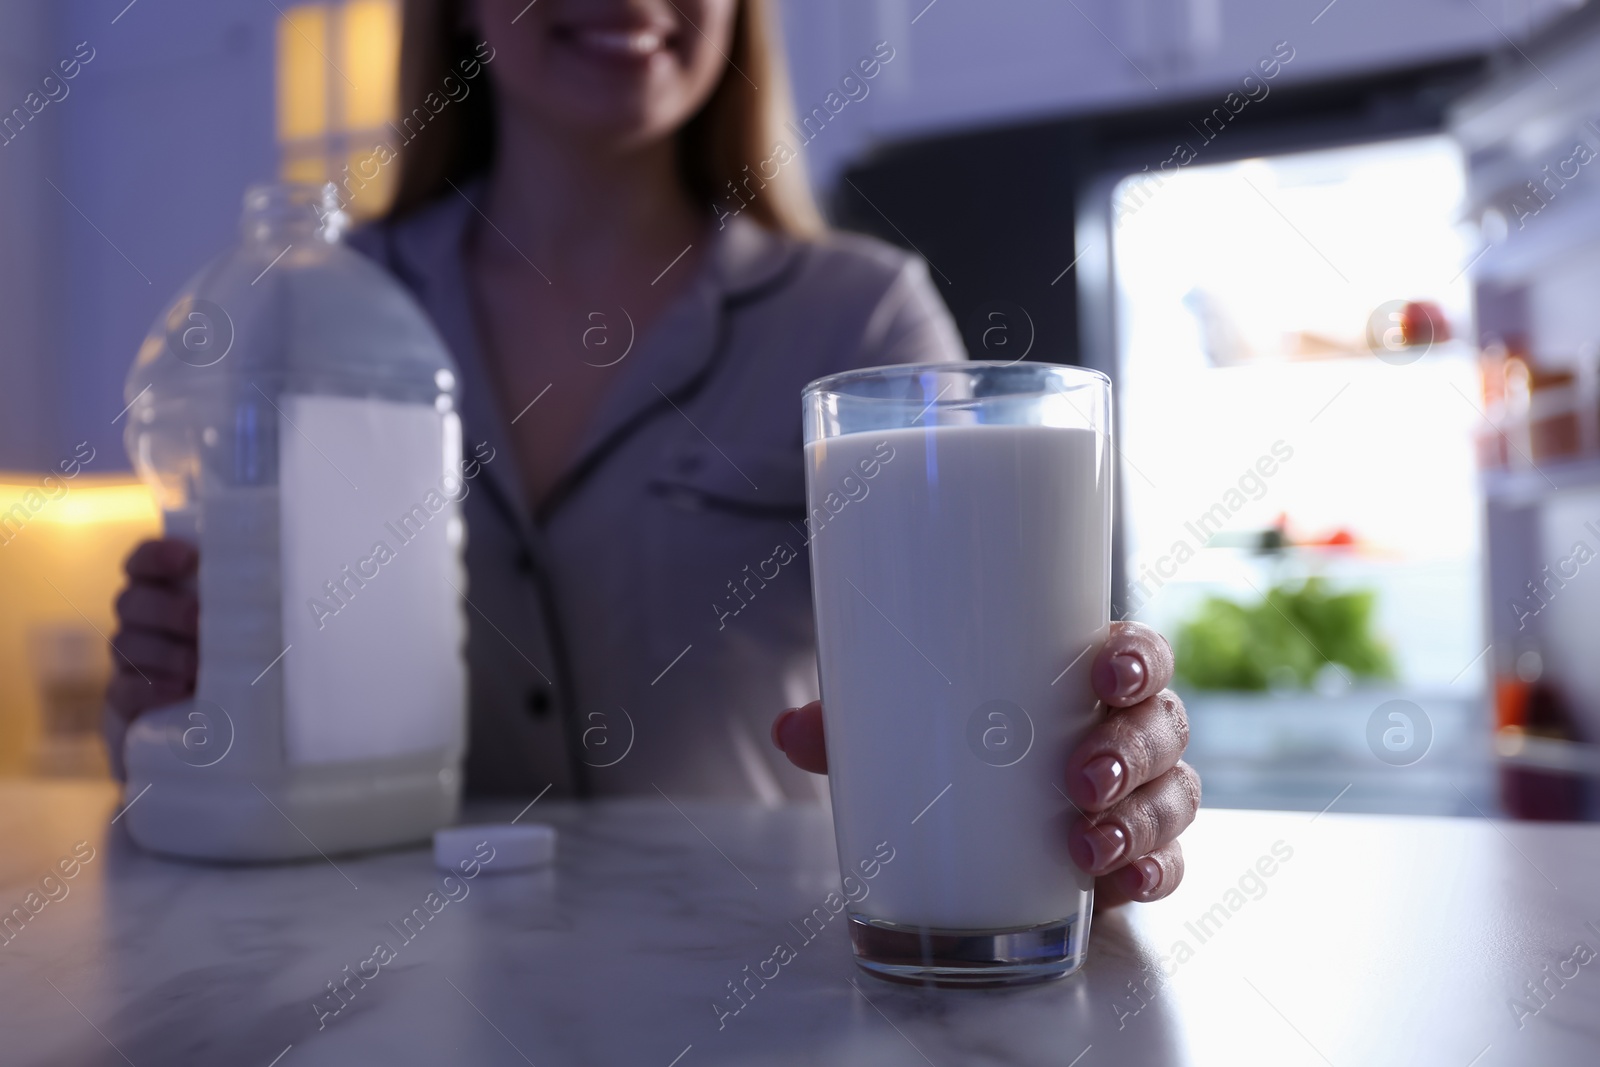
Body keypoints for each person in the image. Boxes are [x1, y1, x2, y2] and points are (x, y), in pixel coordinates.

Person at [106, 0, 1199, 908]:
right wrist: (181, 697)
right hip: (393, 973)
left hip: (750, 970)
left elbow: (998, 665)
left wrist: (1086, 771)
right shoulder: (321, 313)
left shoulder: (857, 321)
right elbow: (238, 710)